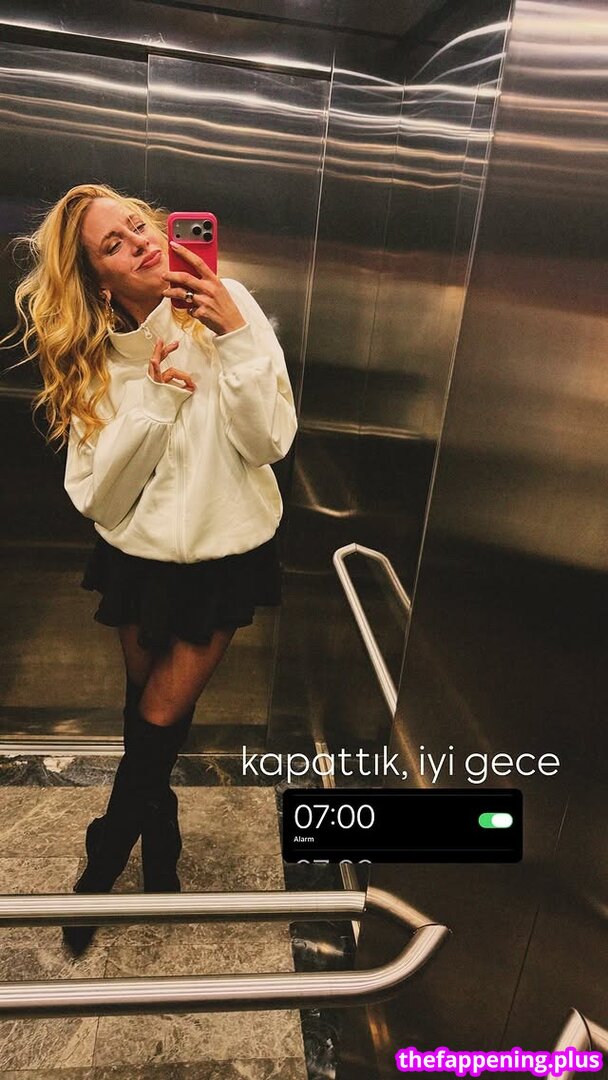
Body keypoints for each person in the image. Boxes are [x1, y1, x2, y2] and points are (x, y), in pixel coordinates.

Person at [4, 182, 298, 955]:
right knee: (144, 712)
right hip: (137, 559)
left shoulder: (230, 304)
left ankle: (103, 860)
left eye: (138, 226)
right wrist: (157, 402)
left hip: (224, 557)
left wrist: (235, 337)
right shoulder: (95, 359)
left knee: (161, 717)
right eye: (114, 243)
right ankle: (159, 836)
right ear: (98, 280)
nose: (139, 242)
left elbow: (269, 441)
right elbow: (100, 496)